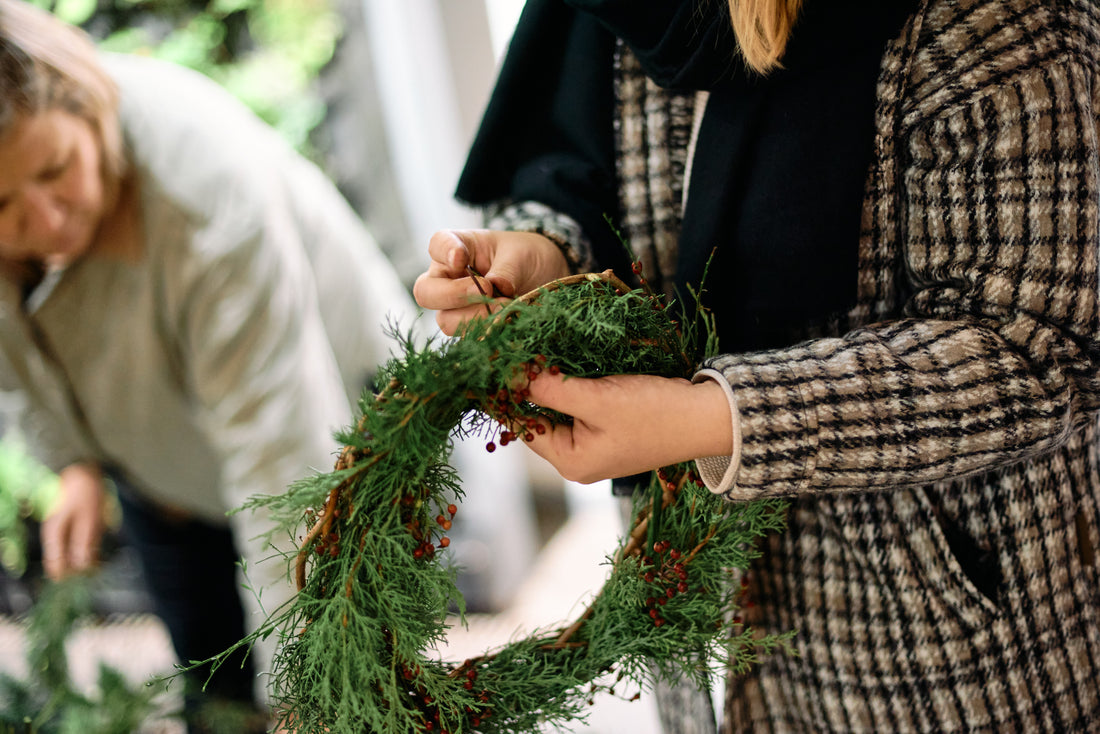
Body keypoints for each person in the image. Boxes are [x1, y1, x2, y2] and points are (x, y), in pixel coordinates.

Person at [413, 0, 1100, 731]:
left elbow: (1039, 347)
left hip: (940, 656)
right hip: (703, 625)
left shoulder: (991, 17)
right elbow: (593, 183)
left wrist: (716, 419)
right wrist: (549, 259)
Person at [0, 0, 417, 730]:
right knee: (218, 705)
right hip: (171, 485)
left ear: (85, 104)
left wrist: (302, 697)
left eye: (57, 170)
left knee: (364, 695)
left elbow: (284, 467)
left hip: (342, 453)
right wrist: (74, 458)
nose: (48, 221)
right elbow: (18, 341)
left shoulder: (207, 186)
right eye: (4, 206)